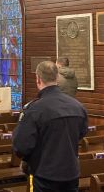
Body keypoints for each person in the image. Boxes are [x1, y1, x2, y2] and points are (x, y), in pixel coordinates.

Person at [12, 61, 88, 192]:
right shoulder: (77, 106)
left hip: (44, 176)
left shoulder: (34, 109)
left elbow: (21, 146)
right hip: (71, 174)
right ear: (57, 78)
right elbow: (81, 133)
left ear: (38, 79)